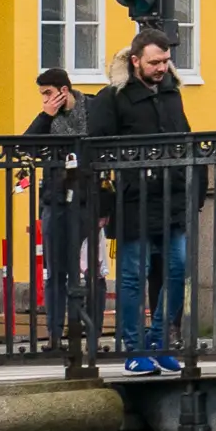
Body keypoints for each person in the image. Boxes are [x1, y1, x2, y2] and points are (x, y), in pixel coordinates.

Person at [80, 29, 194, 375]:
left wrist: (193, 187)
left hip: (171, 196)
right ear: (135, 61)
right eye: (154, 62)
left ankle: (159, 341)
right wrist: (101, 200)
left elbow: (185, 137)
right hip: (132, 199)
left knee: (177, 269)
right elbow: (93, 150)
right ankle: (134, 347)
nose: (162, 67)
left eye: (165, 61)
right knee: (133, 275)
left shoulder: (172, 93)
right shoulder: (113, 97)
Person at [28, 66, 98, 354]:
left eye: (48, 93)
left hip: (86, 198)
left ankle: (83, 329)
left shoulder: (92, 109)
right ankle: (54, 335)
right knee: (55, 268)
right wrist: (46, 116)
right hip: (55, 197)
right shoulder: (47, 118)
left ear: (64, 90)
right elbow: (28, 145)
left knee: (85, 268)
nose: (44, 99)